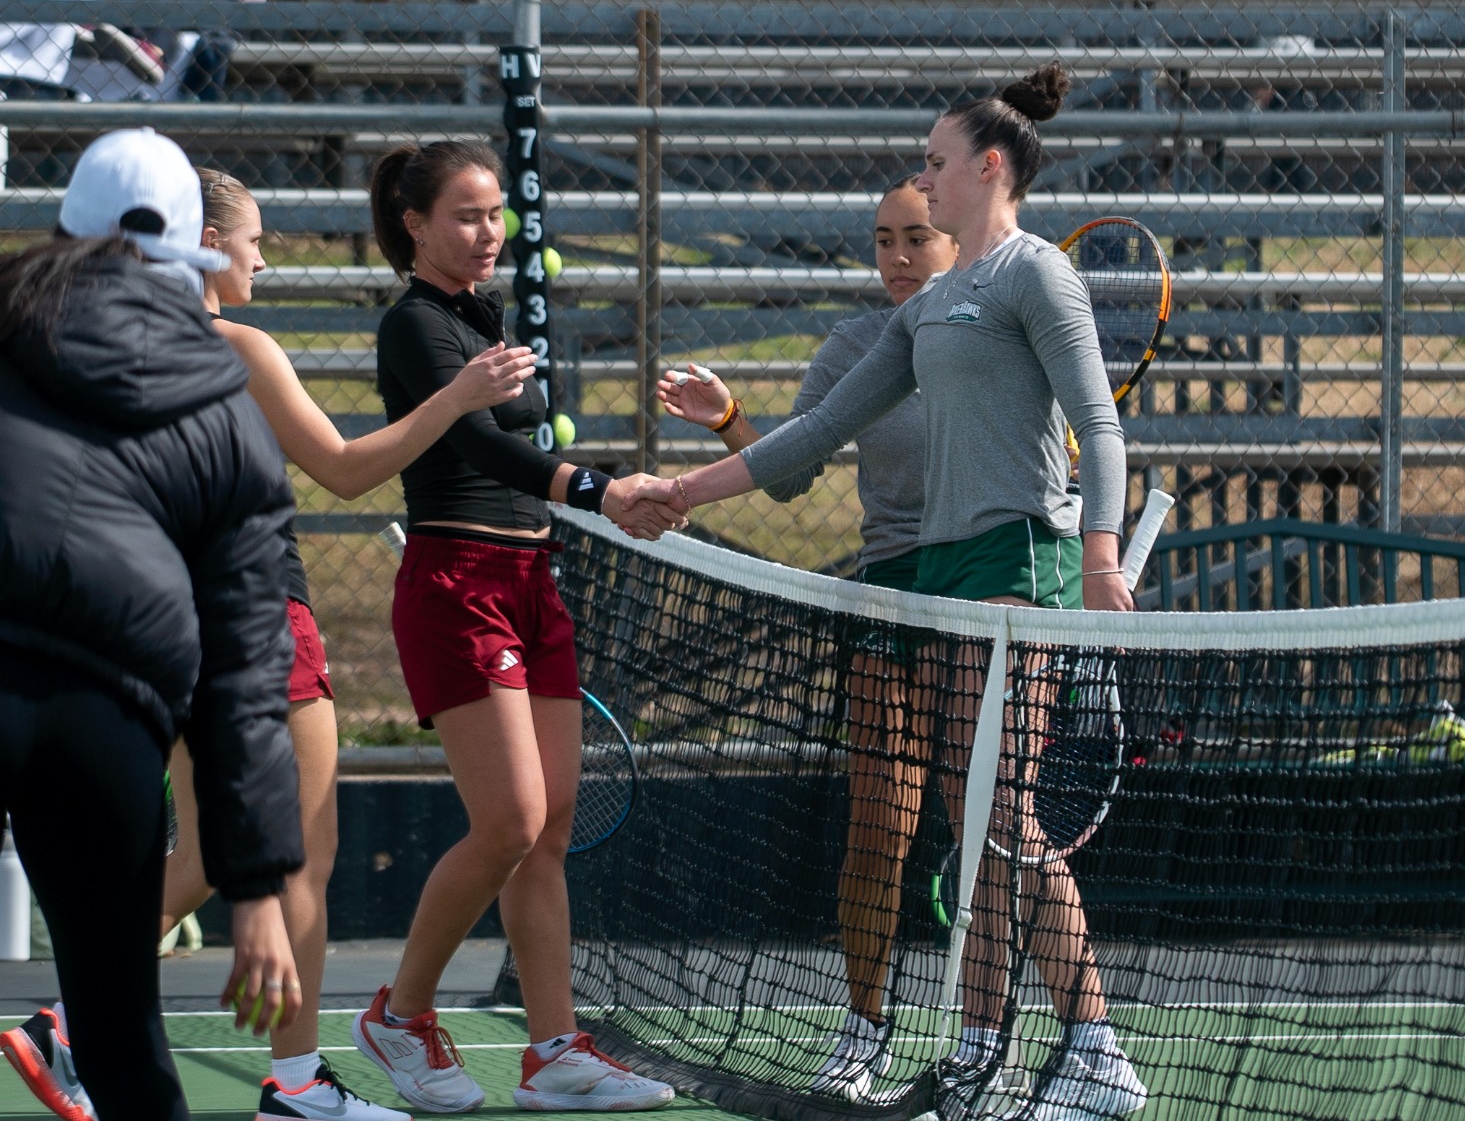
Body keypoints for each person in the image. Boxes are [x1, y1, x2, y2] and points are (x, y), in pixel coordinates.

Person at [635, 63, 1149, 1121]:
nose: (922, 179)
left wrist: (1098, 554)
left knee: (998, 816)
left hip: (1021, 556)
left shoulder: (1034, 275)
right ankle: (979, 1048)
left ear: (986, 169)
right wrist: (681, 488)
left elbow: (1098, 424)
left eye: (934, 162)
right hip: (940, 571)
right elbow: (814, 435)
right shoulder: (929, 311)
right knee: (977, 824)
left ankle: (1095, 1049)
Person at [145, 167, 538, 1121]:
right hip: (256, 614)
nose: (265, 258)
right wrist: (457, 398)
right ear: (201, 239)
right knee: (303, 855)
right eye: (252, 241)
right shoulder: (237, 347)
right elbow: (347, 469)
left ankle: (77, 1019)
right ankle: (290, 1082)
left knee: (202, 853)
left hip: (157, 623)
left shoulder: (102, 353)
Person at [348, 138, 676, 1114]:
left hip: (534, 580)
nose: (486, 232)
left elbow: (521, 455)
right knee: (508, 821)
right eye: (464, 214)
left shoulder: (478, 320)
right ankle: (399, 1015)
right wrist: (598, 487)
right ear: (414, 223)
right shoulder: (415, 325)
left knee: (550, 829)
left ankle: (552, 1048)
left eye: (495, 214)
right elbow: (483, 450)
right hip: (457, 582)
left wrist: (615, 491)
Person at [0, 127, 302, 1121]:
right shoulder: (228, 409)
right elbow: (245, 670)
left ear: (62, 229)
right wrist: (255, 886)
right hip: (106, 712)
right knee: (125, 1043)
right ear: (196, 254)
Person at [654, 174, 957, 1103]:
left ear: (959, 241)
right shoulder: (857, 345)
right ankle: (865, 1030)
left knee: (992, 829)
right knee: (880, 827)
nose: (898, 257)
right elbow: (792, 476)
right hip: (887, 604)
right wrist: (733, 424)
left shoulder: (1000, 337)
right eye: (883, 240)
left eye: (918, 237)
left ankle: (997, 1034)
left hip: (988, 599)